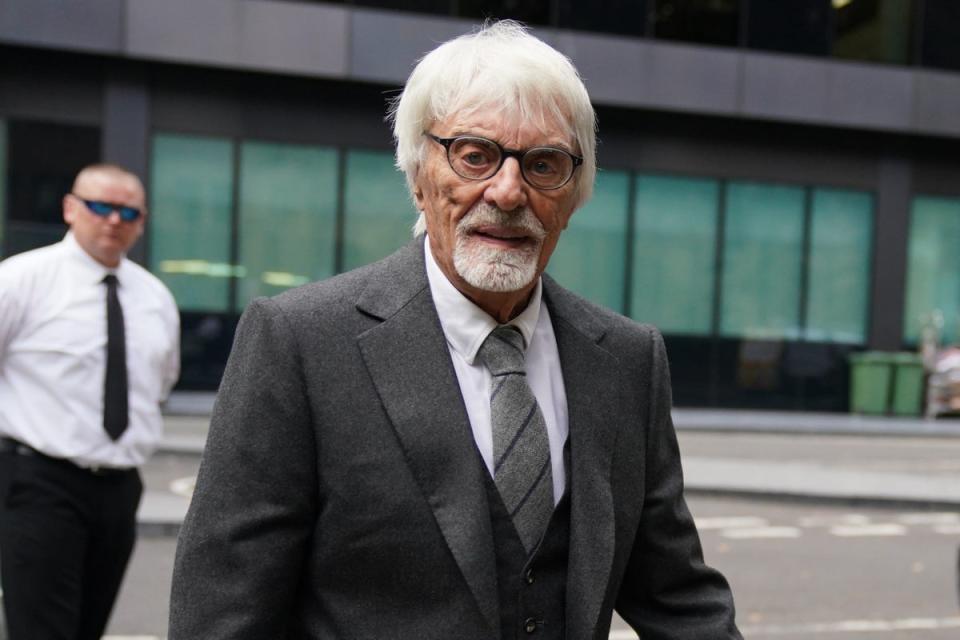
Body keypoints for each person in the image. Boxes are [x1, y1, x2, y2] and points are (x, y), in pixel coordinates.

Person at [169, 21, 740, 639]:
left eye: (544, 164)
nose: (508, 190)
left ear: (574, 197)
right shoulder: (299, 343)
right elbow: (221, 616)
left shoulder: (627, 359)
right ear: (418, 175)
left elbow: (678, 598)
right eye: (475, 155)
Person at [0, 164, 180, 640]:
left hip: (119, 490)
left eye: (128, 212)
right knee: (42, 629)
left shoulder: (155, 297)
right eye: (100, 207)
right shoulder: (20, 280)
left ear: (142, 221)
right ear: (69, 208)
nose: (113, 220)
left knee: (88, 626)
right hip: (38, 481)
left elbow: (159, 385)